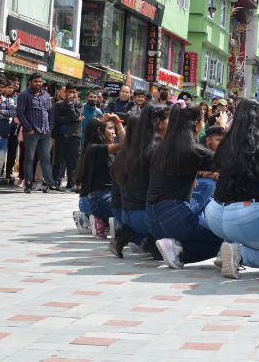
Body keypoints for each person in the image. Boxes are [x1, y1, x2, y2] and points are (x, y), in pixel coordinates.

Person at [205, 99, 259, 279]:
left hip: (214, 213)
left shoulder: (226, 143)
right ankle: (241, 254)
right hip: (246, 214)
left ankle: (228, 250)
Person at [146, 102, 222, 269]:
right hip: (174, 215)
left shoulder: (159, 148)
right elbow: (228, 160)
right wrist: (223, 129)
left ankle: (173, 248)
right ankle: (181, 252)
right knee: (225, 237)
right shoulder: (192, 150)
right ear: (196, 124)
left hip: (152, 219)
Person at [111, 104, 169, 259]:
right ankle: (146, 240)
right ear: (159, 123)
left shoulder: (129, 150)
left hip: (126, 214)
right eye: (169, 119)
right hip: (144, 215)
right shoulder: (156, 148)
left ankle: (133, 235)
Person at [76, 115, 125, 238]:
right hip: (99, 199)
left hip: (96, 199)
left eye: (114, 128)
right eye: (110, 129)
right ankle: (110, 222)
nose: (114, 132)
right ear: (99, 131)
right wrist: (117, 121)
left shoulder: (100, 149)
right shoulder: (95, 149)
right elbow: (125, 144)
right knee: (129, 213)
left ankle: (99, 220)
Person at [16, 73, 56, 192]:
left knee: (45, 159)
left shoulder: (46, 95)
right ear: (30, 82)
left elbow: (50, 113)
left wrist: (49, 127)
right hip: (31, 132)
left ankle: (49, 183)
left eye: (40, 81)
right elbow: (20, 113)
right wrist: (28, 128)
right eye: (36, 81)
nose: (38, 84)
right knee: (29, 159)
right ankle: (28, 184)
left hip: (45, 132)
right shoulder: (24, 95)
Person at [53, 84, 83, 191]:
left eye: (74, 92)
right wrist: (72, 118)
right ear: (65, 92)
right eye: (70, 91)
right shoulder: (58, 104)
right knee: (58, 160)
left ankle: (72, 183)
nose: (72, 94)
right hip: (61, 136)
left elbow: (75, 116)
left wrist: (71, 105)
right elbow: (58, 119)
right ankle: (54, 182)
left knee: (73, 162)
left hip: (74, 136)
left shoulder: (79, 105)